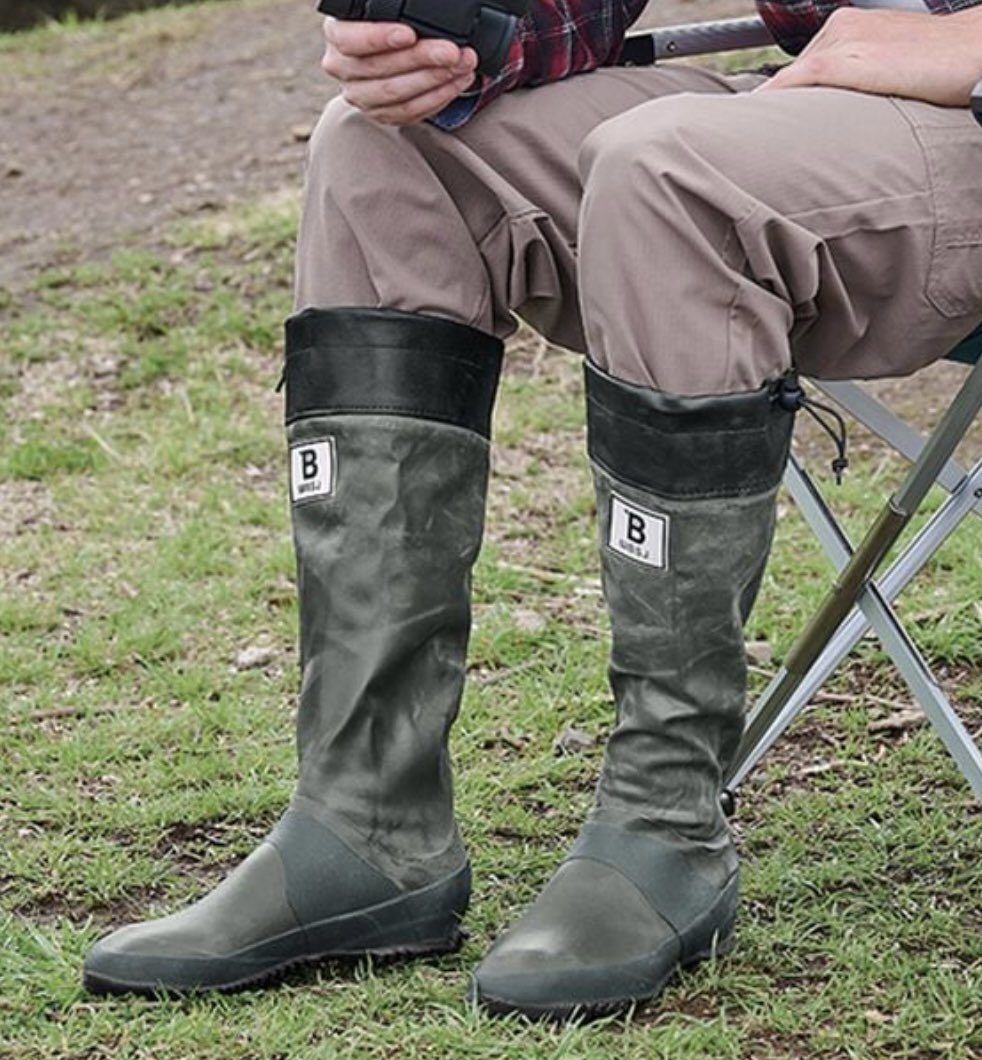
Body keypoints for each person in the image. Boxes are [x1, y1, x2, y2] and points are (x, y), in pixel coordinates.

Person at [82, 0, 982, 1020]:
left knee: (664, 171)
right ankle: (364, 819)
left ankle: (663, 821)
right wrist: (457, 37)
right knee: (385, 148)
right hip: (814, 103)